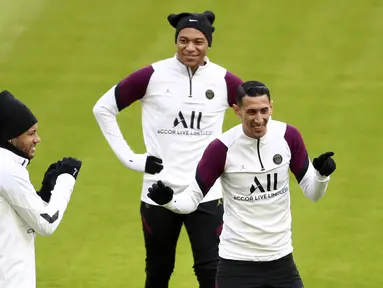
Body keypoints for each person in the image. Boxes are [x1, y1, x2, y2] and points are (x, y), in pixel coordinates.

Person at [92, 10, 243, 288]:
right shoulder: (152, 75)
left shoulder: (224, 80)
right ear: (176, 41)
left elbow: (256, 115)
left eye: (198, 41)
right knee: (159, 271)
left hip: (206, 193)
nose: (190, 48)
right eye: (183, 40)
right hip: (158, 192)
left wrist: (233, 159)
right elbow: (102, 108)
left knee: (212, 273)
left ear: (208, 43)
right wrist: (131, 159)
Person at [147, 81, 337, 288]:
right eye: (251, 111)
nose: (259, 119)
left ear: (271, 107)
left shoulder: (288, 137)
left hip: (281, 262)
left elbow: (313, 193)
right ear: (237, 110)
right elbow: (192, 200)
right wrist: (169, 200)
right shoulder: (221, 149)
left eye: (264, 111)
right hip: (236, 266)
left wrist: (321, 175)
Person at [0, 90, 82, 288]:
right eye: (30, 133)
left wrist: (44, 194)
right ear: (10, 137)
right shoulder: (7, 169)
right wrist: (66, 180)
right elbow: (46, 223)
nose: (37, 139)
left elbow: (14, 216)